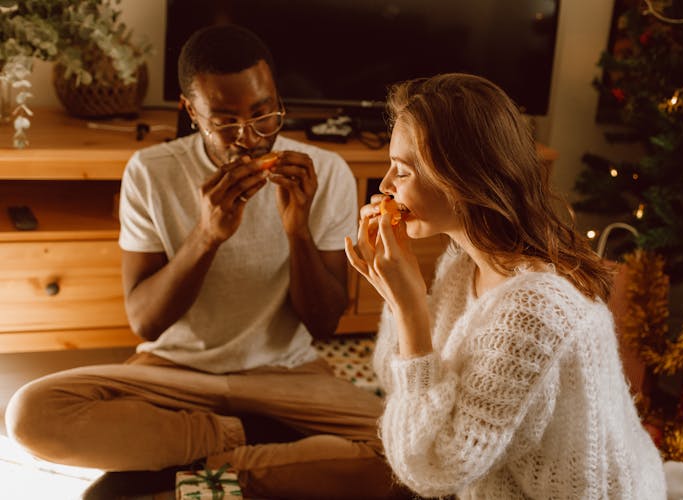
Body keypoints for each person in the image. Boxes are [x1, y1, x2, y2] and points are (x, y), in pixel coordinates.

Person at [6, 25, 407, 499]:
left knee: (405, 454)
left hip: (287, 376)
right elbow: (147, 323)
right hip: (172, 374)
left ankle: (205, 469)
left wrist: (297, 230)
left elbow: (321, 323)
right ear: (191, 112)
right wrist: (206, 236)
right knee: (30, 414)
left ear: (278, 98)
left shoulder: (328, 173)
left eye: (264, 114)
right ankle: (249, 444)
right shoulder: (151, 172)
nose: (250, 138)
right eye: (225, 121)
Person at [345, 73, 668, 499]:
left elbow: (431, 467)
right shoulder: (463, 265)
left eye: (402, 171)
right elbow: (396, 377)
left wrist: (410, 309)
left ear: (462, 180)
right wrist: (400, 298)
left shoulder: (533, 312)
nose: (386, 186)